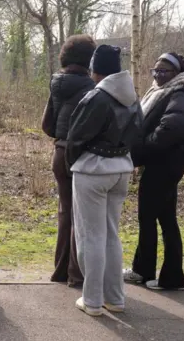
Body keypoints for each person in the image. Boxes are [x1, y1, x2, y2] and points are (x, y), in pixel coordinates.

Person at [123, 53, 184, 290]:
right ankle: (170, 276)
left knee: (148, 217)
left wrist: (147, 146)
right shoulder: (162, 92)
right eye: (156, 71)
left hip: (162, 166)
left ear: (177, 74)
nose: (158, 75)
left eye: (164, 71)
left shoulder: (178, 94)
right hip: (164, 165)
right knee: (165, 219)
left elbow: (178, 126)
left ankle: (145, 271)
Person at [66, 45, 142, 316]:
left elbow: (76, 137)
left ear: (95, 69)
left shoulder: (96, 97)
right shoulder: (132, 96)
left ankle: (93, 301)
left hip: (93, 170)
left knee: (91, 237)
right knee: (111, 235)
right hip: (122, 167)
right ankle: (116, 299)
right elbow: (138, 131)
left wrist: (72, 163)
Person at [41, 35, 96, 288]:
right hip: (80, 155)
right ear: (89, 60)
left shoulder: (56, 83)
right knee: (81, 216)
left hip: (59, 153)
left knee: (66, 213)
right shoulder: (91, 88)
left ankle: (60, 271)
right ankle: (77, 274)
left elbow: (47, 125)